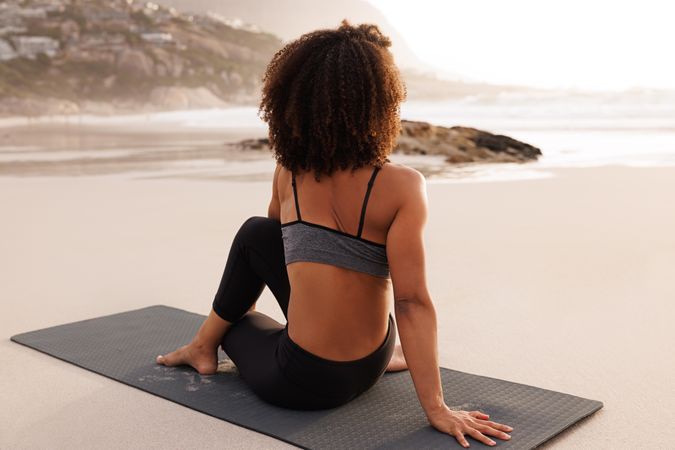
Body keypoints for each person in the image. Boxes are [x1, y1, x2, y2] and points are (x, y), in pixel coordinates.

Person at [156, 19, 513, 448]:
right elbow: (412, 302)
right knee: (265, 236)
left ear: (295, 100)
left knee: (247, 274)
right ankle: (367, 356)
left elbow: (271, 253)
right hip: (378, 352)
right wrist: (435, 406)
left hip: (304, 384)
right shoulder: (404, 186)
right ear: (380, 103)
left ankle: (202, 346)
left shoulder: (286, 173)